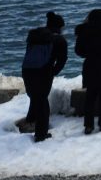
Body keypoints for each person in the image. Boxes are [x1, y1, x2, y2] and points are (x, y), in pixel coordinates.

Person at [21, 11, 68, 142]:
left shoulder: (34, 36)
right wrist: (54, 71)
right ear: (59, 27)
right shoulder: (59, 40)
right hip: (44, 72)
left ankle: (31, 120)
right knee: (42, 101)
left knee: (35, 97)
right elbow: (62, 59)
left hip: (27, 70)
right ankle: (41, 134)